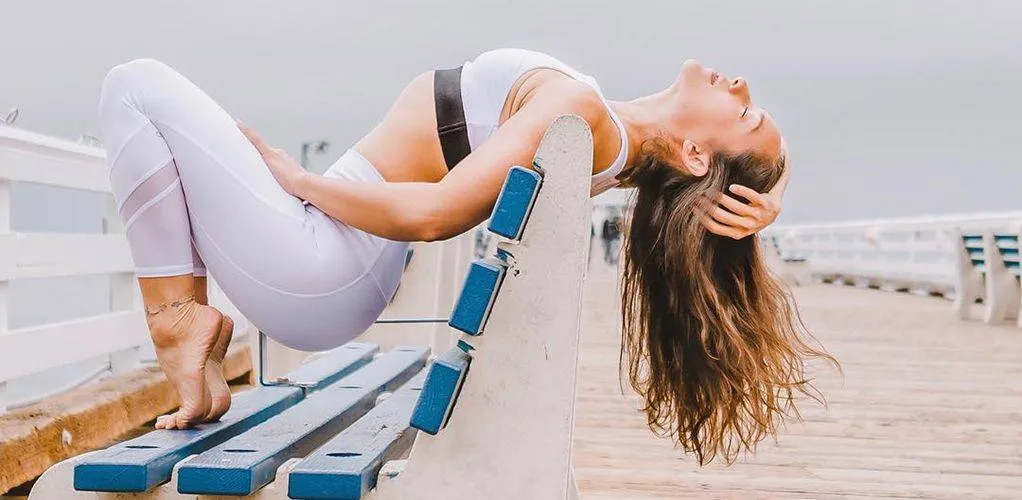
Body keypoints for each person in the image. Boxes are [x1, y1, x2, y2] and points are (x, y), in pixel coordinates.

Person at [98, 48, 831, 463]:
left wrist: (301, 181)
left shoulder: (586, 117)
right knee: (150, 107)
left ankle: (175, 320)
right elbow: (746, 161)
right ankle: (184, 321)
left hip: (324, 265)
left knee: (133, 88)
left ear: (698, 154)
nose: (740, 84)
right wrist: (772, 195)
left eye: (745, 111)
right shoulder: (613, 142)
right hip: (335, 265)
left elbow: (435, 213)